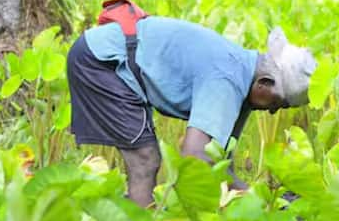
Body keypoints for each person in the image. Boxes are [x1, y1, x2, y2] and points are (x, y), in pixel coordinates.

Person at [66, 14, 316, 207]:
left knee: (146, 160)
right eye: (277, 104)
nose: (272, 113)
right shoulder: (228, 79)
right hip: (102, 61)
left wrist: (255, 200)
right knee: (145, 160)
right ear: (265, 83)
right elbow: (195, 157)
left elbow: (220, 164)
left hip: (113, 57)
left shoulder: (246, 81)